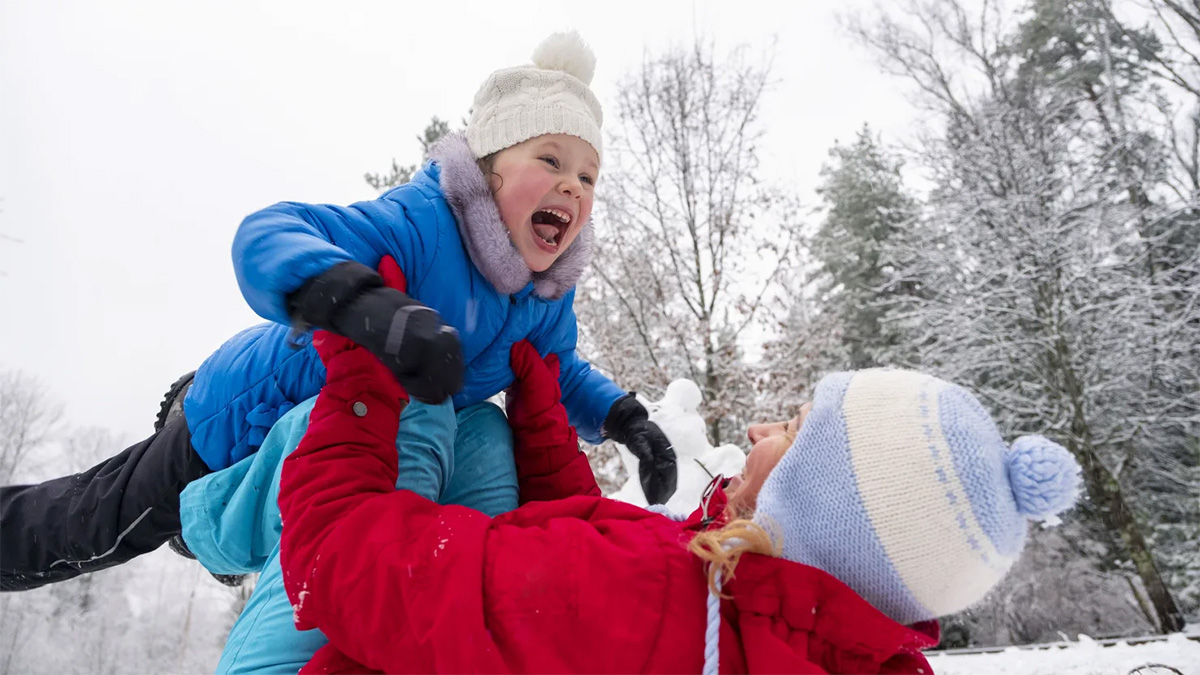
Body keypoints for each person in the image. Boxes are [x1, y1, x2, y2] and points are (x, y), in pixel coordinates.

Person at [0, 30, 677, 592]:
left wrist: (627, 420)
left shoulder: (543, 298)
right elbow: (267, 234)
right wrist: (367, 305)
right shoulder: (422, 225)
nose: (572, 183)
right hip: (240, 417)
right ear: (491, 166)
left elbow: (560, 371)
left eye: (588, 175)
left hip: (332, 456)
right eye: (551, 157)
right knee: (97, 524)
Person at [273, 329, 1082, 674]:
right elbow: (579, 613)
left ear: (820, 501)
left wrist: (360, 375)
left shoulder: (640, 593)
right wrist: (546, 422)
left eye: (794, 427)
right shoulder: (756, 624)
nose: (762, 424)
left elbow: (337, 556)